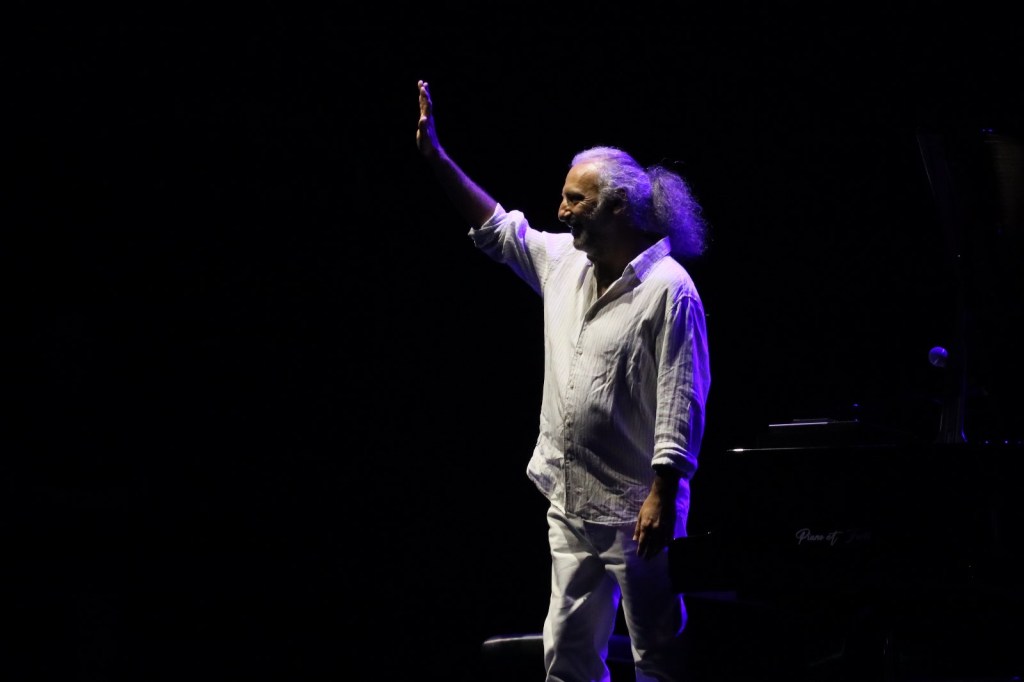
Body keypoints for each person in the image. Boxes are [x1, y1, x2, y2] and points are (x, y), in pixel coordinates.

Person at [415, 79, 711, 682]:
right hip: (570, 500)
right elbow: (500, 230)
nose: (562, 210)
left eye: (576, 199)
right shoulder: (565, 264)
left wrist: (663, 493)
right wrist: (437, 159)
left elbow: (681, 398)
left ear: (617, 207)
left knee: (656, 653)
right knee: (567, 653)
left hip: (635, 511)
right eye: (564, 198)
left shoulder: (668, 289)